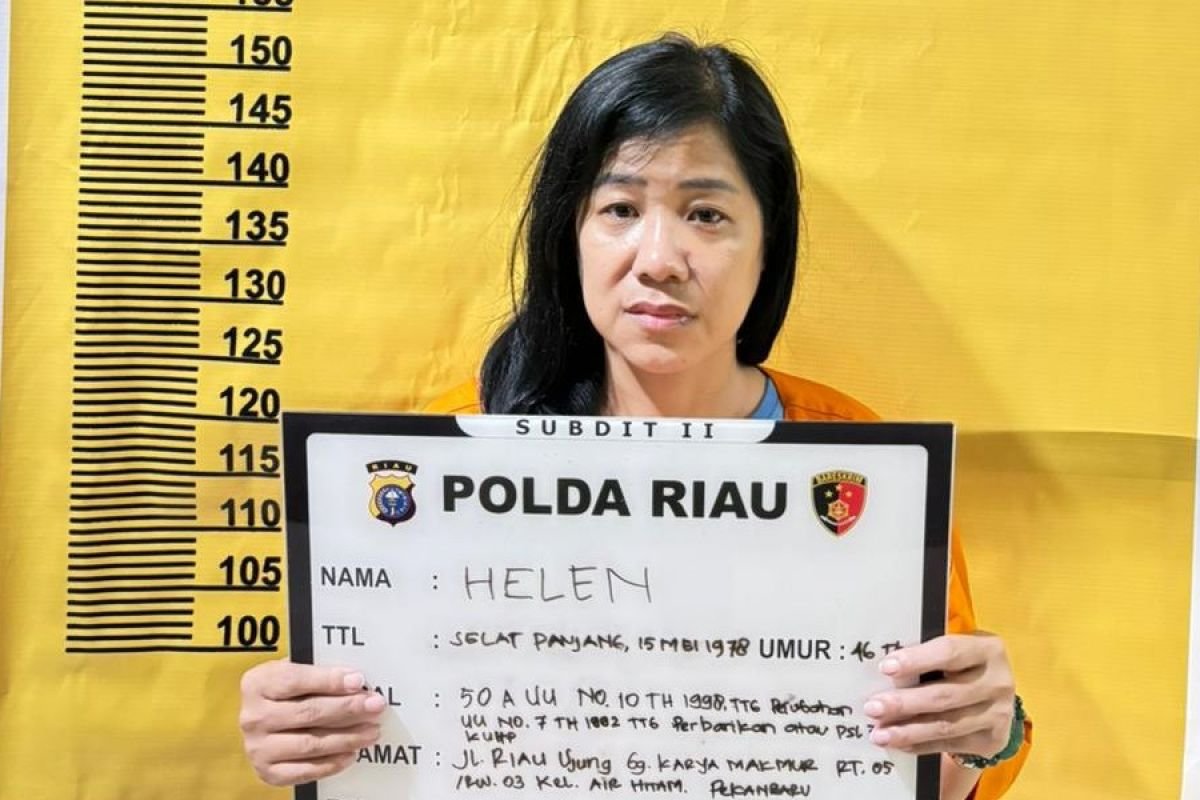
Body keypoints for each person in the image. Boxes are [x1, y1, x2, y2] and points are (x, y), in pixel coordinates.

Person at [238, 34, 1031, 798]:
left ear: (769, 245)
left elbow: (924, 765)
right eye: (619, 208)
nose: (658, 259)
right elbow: (378, 729)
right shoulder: (455, 447)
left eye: (706, 215)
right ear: (570, 235)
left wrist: (982, 734)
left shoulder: (860, 462)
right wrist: (304, 732)